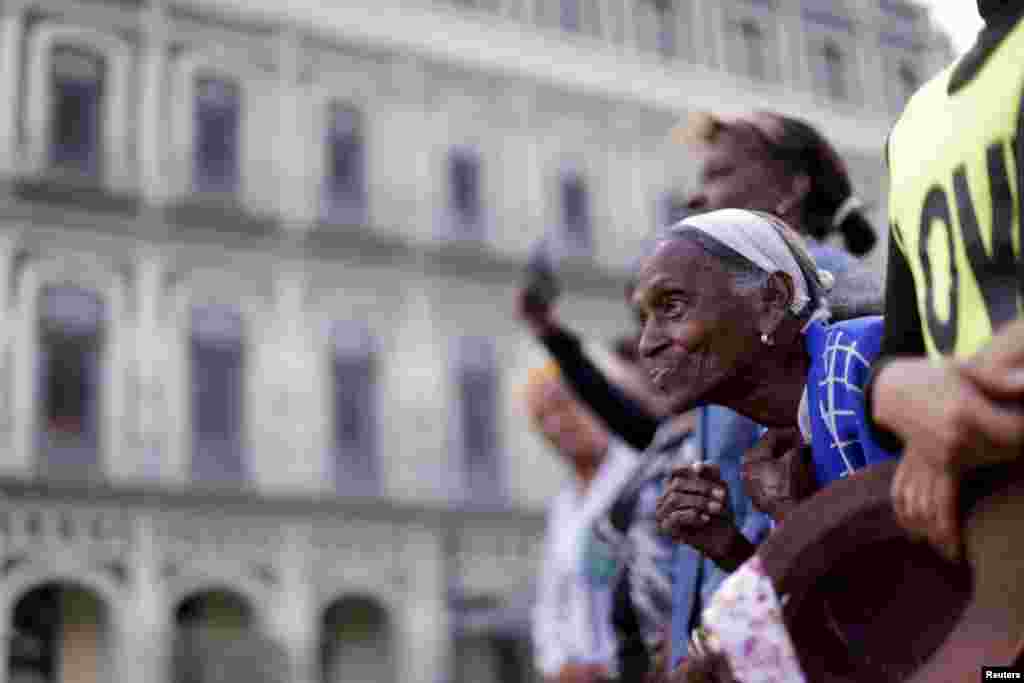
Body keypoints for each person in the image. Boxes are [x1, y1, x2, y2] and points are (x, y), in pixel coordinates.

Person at [631, 209, 900, 682]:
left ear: (772, 301)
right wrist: (726, 545)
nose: (647, 343)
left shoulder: (864, 366)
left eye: (672, 306)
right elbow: (836, 643)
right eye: (644, 317)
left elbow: (904, 613)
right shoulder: (780, 441)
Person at [862, 1, 1024, 563]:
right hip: (991, 533)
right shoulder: (915, 124)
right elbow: (900, 346)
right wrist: (896, 393)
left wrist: (949, 398)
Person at [526, 362, 640, 683]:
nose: (559, 424)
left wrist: (610, 667)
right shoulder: (564, 505)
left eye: (565, 405)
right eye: (543, 417)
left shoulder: (636, 474)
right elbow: (549, 601)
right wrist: (557, 665)